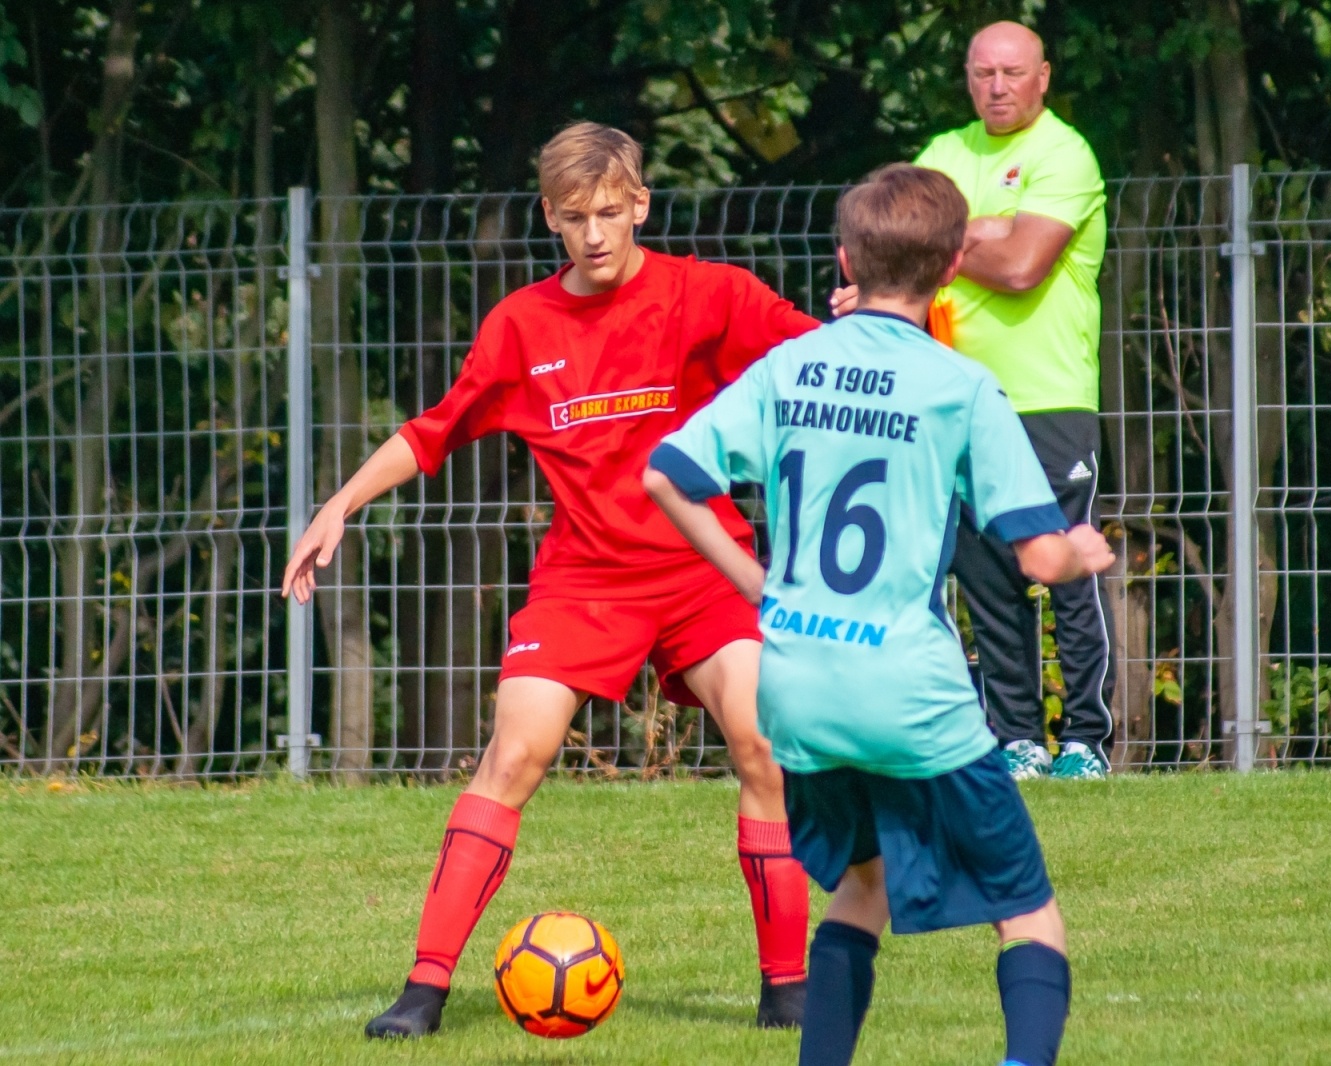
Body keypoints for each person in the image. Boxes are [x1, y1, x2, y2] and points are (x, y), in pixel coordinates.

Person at [280, 123, 816, 1037]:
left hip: (705, 568)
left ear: (641, 204)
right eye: (575, 218)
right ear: (550, 218)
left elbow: (820, 359)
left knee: (764, 743)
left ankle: (789, 990)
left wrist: (886, 315)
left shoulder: (711, 295)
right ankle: (423, 992)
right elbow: (434, 430)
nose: (595, 234)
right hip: (584, 580)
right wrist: (340, 503)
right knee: (514, 754)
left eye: (610, 211)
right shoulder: (522, 326)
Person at [644, 164, 1114, 1066]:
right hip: (904, 686)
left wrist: (757, 584)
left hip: (795, 681)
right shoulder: (960, 386)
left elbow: (668, 473)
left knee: (863, 887)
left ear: (846, 260)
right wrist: (1080, 549)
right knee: (1028, 912)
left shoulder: (788, 364)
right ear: (951, 270)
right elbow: (1037, 557)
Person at [832, 21, 1114, 781]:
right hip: (951, 397)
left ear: (1043, 77)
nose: (997, 86)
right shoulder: (943, 155)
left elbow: (1022, 266)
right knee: (988, 578)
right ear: (966, 76)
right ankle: (1017, 736)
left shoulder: (1064, 153)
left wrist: (943, 248)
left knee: (1064, 566)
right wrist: (976, 233)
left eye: (1013, 73)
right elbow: (894, 250)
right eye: (983, 72)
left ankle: (1086, 740)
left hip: (1047, 398)